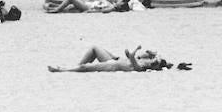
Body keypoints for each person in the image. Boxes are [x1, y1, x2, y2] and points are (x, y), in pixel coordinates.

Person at [47, 46, 176, 73]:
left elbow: (131, 56)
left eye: (152, 61)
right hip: (114, 60)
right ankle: (72, 68)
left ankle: (61, 70)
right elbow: (155, 55)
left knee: (85, 68)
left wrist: (136, 49)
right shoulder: (143, 61)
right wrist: (152, 53)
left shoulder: (140, 67)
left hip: (112, 66)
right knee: (95, 49)